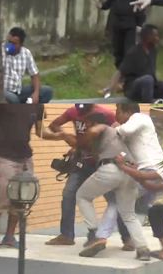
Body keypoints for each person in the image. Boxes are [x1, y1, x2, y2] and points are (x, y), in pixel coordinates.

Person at [75, 112, 151, 261]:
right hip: (129, 173)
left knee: (82, 196)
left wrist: (84, 138)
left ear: (94, 122)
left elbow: (94, 131)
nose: (86, 127)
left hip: (111, 169)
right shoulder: (116, 137)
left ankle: (95, 235)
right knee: (128, 214)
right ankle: (143, 249)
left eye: (88, 124)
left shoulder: (103, 127)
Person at [92, 103, 163, 251]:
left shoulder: (140, 117)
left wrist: (112, 128)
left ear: (128, 112)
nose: (116, 116)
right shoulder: (136, 132)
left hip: (149, 170)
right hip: (158, 172)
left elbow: (125, 129)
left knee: (115, 202)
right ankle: (136, 242)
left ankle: (101, 238)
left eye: (118, 112)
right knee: (139, 208)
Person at [45, 104, 118, 246]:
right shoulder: (72, 111)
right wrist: (66, 136)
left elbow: (119, 133)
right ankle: (66, 235)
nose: (81, 113)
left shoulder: (106, 113)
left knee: (114, 199)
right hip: (81, 162)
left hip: (101, 162)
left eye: (85, 110)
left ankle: (126, 237)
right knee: (68, 195)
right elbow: (54, 125)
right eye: (79, 110)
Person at [0, 104, 44, 248]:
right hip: (4, 155)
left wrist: (63, 135)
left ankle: (9, 236)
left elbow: (41, 131)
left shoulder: (38, 105)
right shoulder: (4, 101)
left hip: (25, 157)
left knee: (22, 196)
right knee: (3, 192)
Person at [103, 24, 163, 103]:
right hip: (134, 88)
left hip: (152, 86)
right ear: (148, 37)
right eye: (155, 36)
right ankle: (147, 106)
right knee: (147, 79)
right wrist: (111, 87)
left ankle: (162, 103)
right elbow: (120, 71)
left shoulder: (153, 50)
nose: (157, 38)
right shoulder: (134, 52)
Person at [98, 0, 145, 69]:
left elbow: (141, 8)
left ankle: (128, 72)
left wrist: (140, 24)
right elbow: (108, 3)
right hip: (117, 23)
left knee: (128, 50)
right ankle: (119, 72)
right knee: (117, 50)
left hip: (130, 24)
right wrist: (101, 6)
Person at [2, 27, 54, 104]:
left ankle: (32, 110)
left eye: (14, 44)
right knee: (13, 99)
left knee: (47, 91)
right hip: (4, 92)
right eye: (9, 42)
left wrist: (36, 93)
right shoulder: (0, 50)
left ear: (21, 45)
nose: (9, 46)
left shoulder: (26, 53)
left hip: (18, 91)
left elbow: (35, 75)